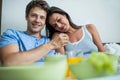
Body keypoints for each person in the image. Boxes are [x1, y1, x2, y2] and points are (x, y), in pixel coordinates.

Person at [0, 0, 69, 66]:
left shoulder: (52, 40)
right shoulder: (12, 34)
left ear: (45, 22)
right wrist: (50, 45)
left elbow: (63, 65)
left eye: (42, 17)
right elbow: (8, 61)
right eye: (33, 15)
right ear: (26, 16)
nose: (37, 20)